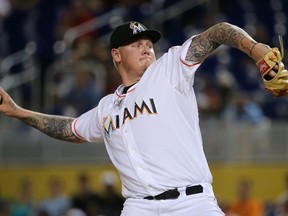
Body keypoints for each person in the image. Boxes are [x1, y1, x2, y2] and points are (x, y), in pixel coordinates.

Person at [0, 20, 277, 215]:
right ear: (116, 55)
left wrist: (255, 49)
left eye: (148, 43)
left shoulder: (170, 69)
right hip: (139, 207)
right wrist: (19, 112)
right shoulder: (106, 107)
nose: (146, 47)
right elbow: (70, 129)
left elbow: (219, 31)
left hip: (191, 203)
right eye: (136, 44)